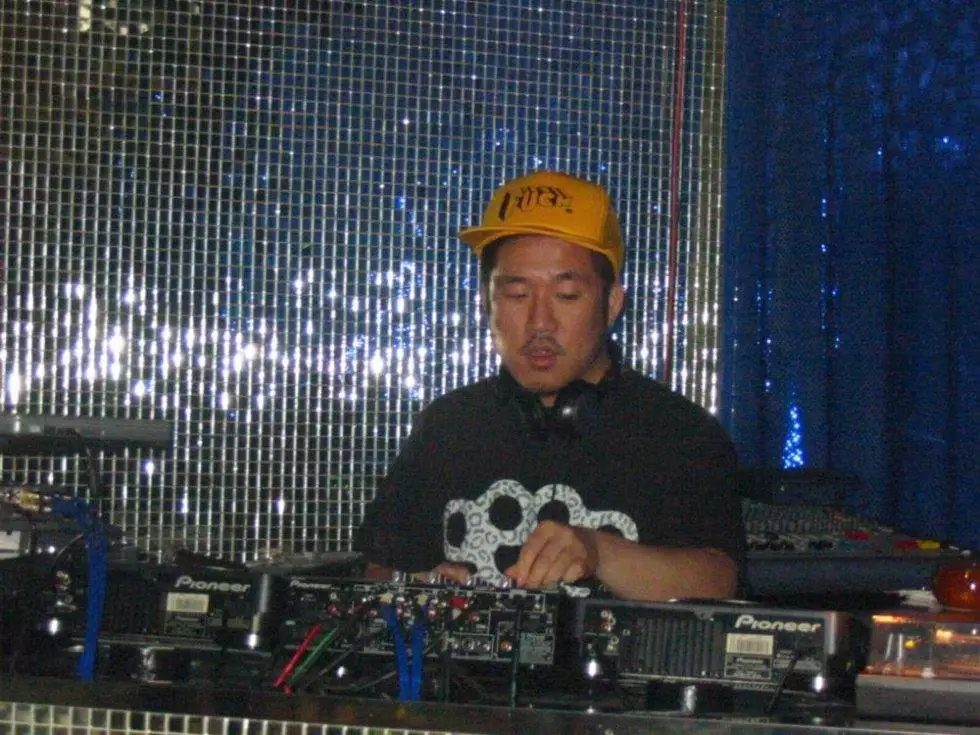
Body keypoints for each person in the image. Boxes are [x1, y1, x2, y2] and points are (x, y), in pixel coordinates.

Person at [353, 170, 742, 601]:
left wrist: (599, 552)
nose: (540, 322)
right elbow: (379, 568)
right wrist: (414, 587)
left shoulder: (681, 432)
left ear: (612, 303)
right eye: (517, 295)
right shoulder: (446, 426)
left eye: (567, 295)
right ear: (486, 303)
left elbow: (720, 580)